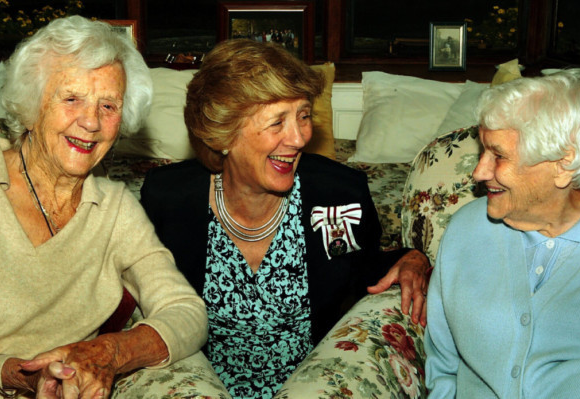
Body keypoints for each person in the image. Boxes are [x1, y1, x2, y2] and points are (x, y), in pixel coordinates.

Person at [140, 38, 430, 399]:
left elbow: (365, 270)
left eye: (304, 115)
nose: (299, 138)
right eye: (278, 122)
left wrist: (413, 258)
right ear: (223, 133)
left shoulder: (339, 193)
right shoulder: (167, 198)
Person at [0, 16, 207, 399]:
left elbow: (188, 312)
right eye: (71, 98)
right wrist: (22, 376)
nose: (91, 122)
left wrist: (109, 351)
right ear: (31, 103)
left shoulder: (115, 210)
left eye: (108, 106)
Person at [424, 69, 580, 398]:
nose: (479, 172)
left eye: (498, 156)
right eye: (482, 152)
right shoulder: (466, 231)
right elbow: (443, 365)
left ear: (564, 164)